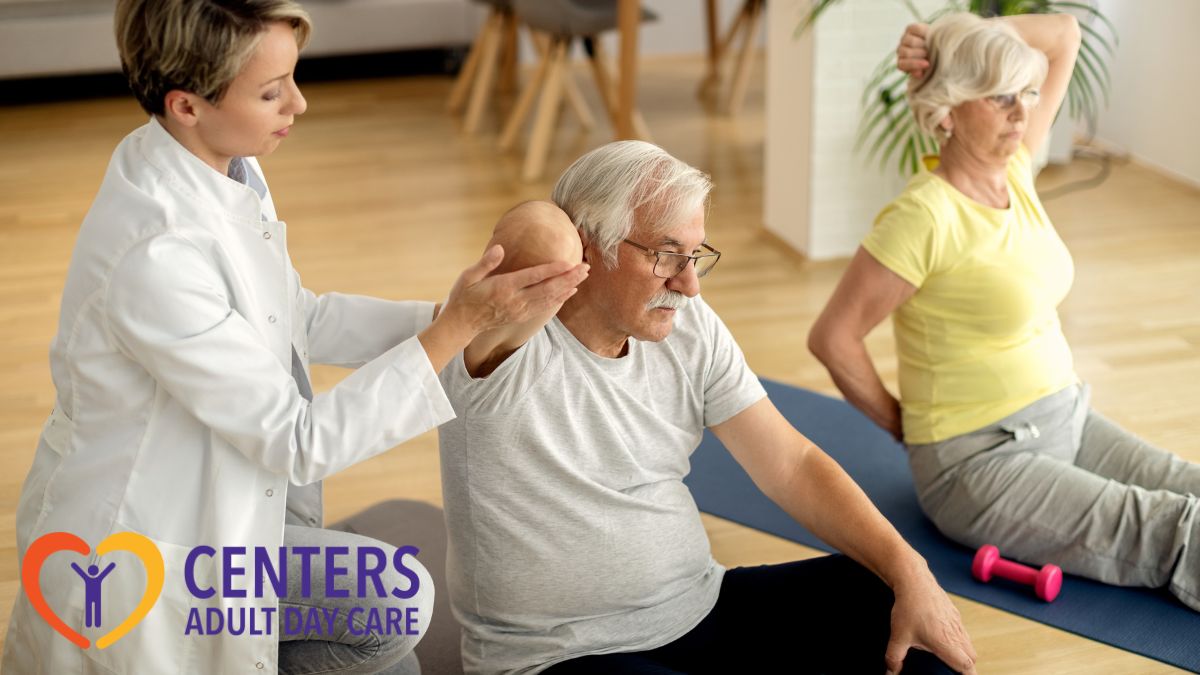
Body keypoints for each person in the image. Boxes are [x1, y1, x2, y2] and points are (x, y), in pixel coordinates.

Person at [1, 1, 587, 673]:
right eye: (273, 91)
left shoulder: (220, 164)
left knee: (383, 634)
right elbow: (297, 440)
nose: (299, 104)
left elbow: (292, 317)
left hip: (222, 498)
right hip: (152, 550)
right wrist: (456, 330)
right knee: (393, 603)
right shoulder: (156, 253)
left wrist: (445, 313)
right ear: (187, 104)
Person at [437, 147, 977, 674]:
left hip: (701, 609)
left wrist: (912, 571)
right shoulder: (501, 342)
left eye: (695, 256)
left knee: (887, 599)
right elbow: (534, 227)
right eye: (666, 255)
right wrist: (565, 230)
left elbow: (789, 465)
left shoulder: (687, 323)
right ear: (585, 249)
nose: (688, 284)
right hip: (559, 654)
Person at [807, 12, 1200, 612]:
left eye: (1024, 94)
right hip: (981, 462)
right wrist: (907, 428)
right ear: (947, 110)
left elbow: (1064, 34)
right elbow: (833, 338)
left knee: (1191, 485)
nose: (1020, 112)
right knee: (1171, 526)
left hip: (1066, 416)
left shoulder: (1015, 169)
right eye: (997, 97)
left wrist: (946, 28)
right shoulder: (924, 218)